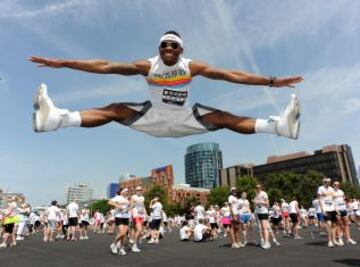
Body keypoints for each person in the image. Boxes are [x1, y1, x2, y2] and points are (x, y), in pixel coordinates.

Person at [29, 31, 303, 140]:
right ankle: (56, 120)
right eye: (163, 45)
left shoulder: (192, 67)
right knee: (114, 109)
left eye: (173, 45)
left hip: (183, 119)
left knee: (223, 118)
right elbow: (105, 66)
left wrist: (270, 81)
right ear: (158, 48)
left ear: (181, 49)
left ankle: (279, 127)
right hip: (154, 118)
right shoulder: (147, 66)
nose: (168, 48)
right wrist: (64, 63)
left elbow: (231, 75)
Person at [318, 177, 339, 248]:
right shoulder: (320, 188)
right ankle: (329, 241)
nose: (327, 182)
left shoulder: (331, 189)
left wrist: (336, 209)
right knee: (328, 224)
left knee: (334, 224)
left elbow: (333, 199)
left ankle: (334, 240)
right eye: (325, 181)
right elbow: (319, 199)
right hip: (326, 208)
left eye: (328, 181)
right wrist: (322, 209)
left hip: (332, 208)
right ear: (323, 182)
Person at [108, 188, 131, 256]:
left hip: (126, 217)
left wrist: (130, 207)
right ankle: (114, 244)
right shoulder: (118, 197)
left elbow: (128, 207)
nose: (127, 192)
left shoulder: (127, 199)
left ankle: (121, 248)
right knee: (122, 233)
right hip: (119, 216)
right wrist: (118, 206)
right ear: (122, 192)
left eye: (127, 191)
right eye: (125, 191)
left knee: (124, 235)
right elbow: (109, 202)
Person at [253, 184, 271, 249]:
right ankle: (265, 241)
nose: (258, 189)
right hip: (259, 212)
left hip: (264, 212)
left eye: (259, 188)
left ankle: (267, 242)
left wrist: (260, 201)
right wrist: (255, 202)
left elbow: (267, 203)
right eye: (256, 188)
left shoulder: (264, 193)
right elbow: (254, 204)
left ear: (261, 188)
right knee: (261, 228)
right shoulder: (256, 195)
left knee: (264, 227)